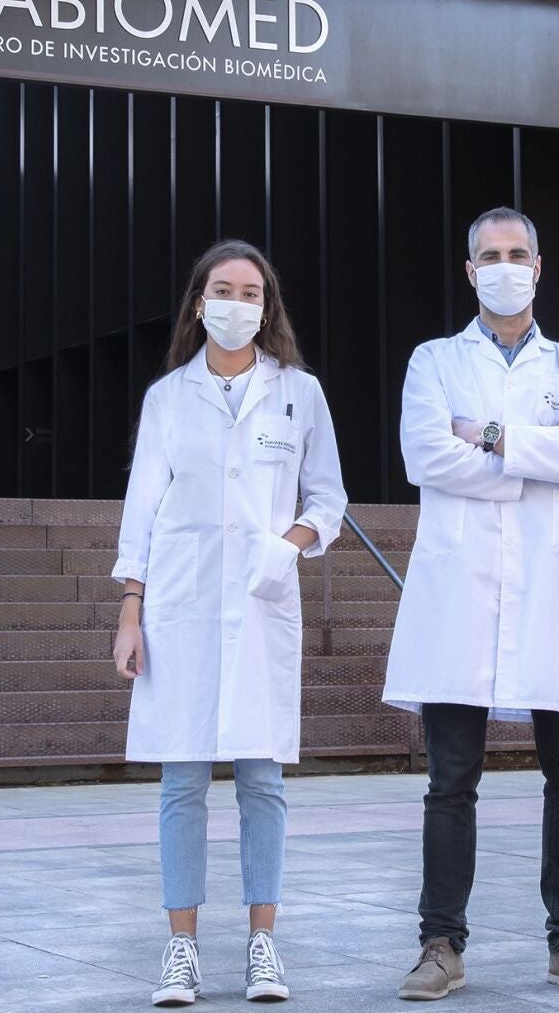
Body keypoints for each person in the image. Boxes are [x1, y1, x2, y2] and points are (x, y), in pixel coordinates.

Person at [383, 207, 559, 1001]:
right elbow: (426, 454)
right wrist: (539, 454)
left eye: (517, 252)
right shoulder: (434, 360)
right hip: (461, 594)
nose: (505, 266)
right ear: (469, 271)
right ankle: (440, 943)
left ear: (539, 265)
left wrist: (488, 436)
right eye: (489, 255)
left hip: (549, 591)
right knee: (451, 777)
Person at [110, 240, 348, 1007]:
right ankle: (181, 948)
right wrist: (131, 607)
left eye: (251, 292)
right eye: (224, 290)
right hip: (178, 606)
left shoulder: (298, 393)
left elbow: (329, 499)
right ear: (199, 302)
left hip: (261, 603)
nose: (237, 304)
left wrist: (289, 545)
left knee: (262, 778)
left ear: (266, 307)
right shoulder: (168, 397)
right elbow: (143, 508)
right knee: (181, 779)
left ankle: (262, 944)